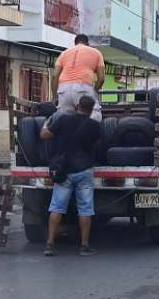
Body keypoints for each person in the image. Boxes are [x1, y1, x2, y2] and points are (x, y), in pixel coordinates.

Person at [40, 96, 102, 257]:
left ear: (77, 106)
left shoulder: (63, 120)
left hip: (64, 171)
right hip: (85, 171)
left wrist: (46, 123)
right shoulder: (95, 126)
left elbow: (44, 136)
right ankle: (84, 246)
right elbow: (98, 146)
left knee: (57, 207)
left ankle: (49, 244)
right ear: (91, 109)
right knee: (85, 209)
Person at [51, 34, 105, 122]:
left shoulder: (64, 53)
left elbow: (54, 76)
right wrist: (94, 92)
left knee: (64, 120)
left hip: (64, 89)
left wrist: (54, 96)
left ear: (75, 43)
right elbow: (101, 78)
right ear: (87, 43)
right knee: (94, 118)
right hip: (83, 87)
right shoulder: (96, 53)